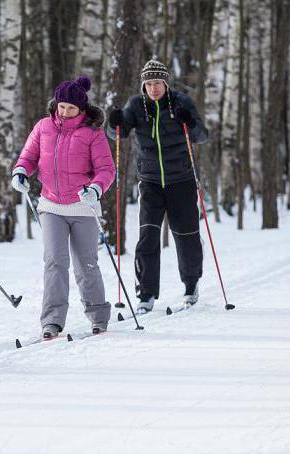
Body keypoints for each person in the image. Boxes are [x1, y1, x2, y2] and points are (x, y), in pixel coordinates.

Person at [12, 75, 115, 339]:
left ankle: (98, 316)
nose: (66, 112)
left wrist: (95, 188)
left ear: (82, 109)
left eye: (71, 108)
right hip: (51, 205)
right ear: (55, 105)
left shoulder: (93, 133)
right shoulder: (43, 127)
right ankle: (52, 320)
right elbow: (29, 157)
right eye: (62, 106)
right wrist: (21, 172)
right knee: (55, 262)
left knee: (86, 264)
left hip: (82, 206)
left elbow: (106, 169)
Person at [107, 59, 208, 314]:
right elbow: (119, 134)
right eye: (148, 83)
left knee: (186, 236)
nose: (153, 88)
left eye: (157, 83)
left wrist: (190, 122)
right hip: (150, 181)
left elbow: (201, 135)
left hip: (181, 180)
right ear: (143, 85)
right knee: (148, 237)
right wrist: (114, 123)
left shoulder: (181, 102)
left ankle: (191, 285)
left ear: (165, 83)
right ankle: (146, 294)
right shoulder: (136, 105)